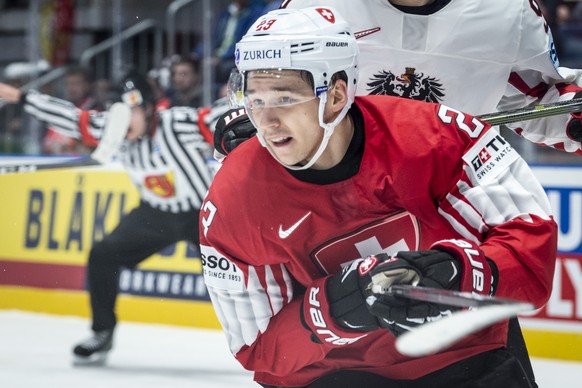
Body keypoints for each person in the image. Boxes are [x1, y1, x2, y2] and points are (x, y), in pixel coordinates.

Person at [200, 7, 558, 388]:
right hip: (335, 374)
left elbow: (531, 259)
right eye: (254, 101)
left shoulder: (438, 138)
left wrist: (456, 273)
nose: (267, 124)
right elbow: (256, 348)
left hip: (458, 357)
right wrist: (335, 309)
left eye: (285, 99)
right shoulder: (233, 197)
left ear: (337, 95)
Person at [0, 70, 227, 365]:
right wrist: (21, 96)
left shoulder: (175, 123)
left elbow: (217, 119)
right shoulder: (113, 128)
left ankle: (260, 336)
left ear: (148, 108)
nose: (125, 120)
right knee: (103, 255)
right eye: (120, 112)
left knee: (228, 278)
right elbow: (72, 118)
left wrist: (241, 100)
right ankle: (102, 333)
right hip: (153, 213)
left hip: (202, 214)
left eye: (133, 111)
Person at [216, 0, 582, 159]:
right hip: (338, 201)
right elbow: (277, 93)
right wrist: (248, 123)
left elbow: (534, 100)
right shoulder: (313, 9)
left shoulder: (508, 13)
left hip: (453, 202)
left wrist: (571, 119)